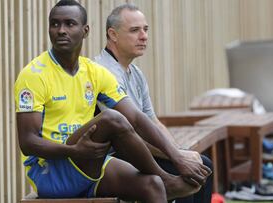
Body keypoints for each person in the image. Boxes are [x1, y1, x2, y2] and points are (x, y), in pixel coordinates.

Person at [14, 0, 211, 202]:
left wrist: (177, 156)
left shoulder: (93, 72)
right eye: (55, 24)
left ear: (85, 30)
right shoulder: (34, 75)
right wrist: (73, 150)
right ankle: (166, 180)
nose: (61, 30)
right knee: (112, 119)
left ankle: (162, 181)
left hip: (88, 160)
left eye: (69, 24)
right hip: (51, 172)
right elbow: (28, 143)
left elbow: (135, 117)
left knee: (152, 185)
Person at [94, 4, 213, 203]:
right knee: (186, 176)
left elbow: (153, 122)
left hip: (138, 150)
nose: (144, 36)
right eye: (135, 30)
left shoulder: (136, 73)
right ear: (113, 35)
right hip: (113, 158)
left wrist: (180, 153)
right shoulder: (103, 72)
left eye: (145, 29)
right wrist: (176, 158)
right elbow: (129, 134)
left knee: (203, 166)